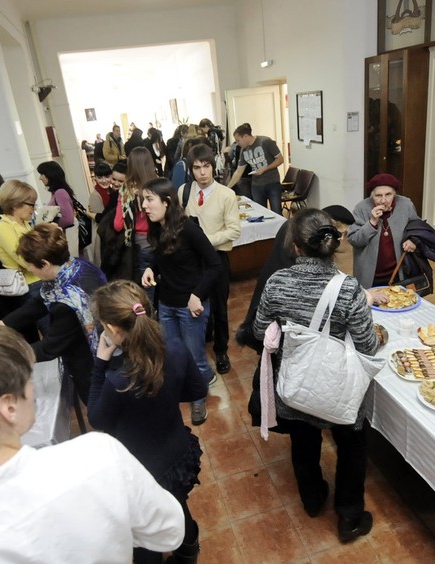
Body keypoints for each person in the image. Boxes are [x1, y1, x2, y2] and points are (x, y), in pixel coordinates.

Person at [0, 323, 185, 563]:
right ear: (9, 407)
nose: (32, 390)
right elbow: (169, 532)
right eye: (27, 381)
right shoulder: (98, 457)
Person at [253, 208, 379, 543]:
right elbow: (367, 346)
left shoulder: (277, 282)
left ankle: (312, 499)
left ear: (295, 246)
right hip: (338, 387)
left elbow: (259, 330)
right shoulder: (349, 288)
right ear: (333, 244)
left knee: (303, 441)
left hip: (297, 382)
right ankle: (349, 516)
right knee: (351, 445)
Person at [88, 280, 207, 564]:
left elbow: (96, 418)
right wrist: (165, 396)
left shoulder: (118, 381)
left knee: (144, 532)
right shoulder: (175, 348)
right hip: (177, 454)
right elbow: (197, 390)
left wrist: (100, 362)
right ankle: (187, 554)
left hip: (141, 469)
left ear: (113, 329)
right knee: (177, 506)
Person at [140, 178, 222, 426]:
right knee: (173, 353)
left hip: (190, 306)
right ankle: (196, 380)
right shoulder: (157, 227)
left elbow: (215, 265)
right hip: (166, 303)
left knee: (194, 356)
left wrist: (197, 295)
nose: (144, 205)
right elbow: (161, 257)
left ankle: (198, 398)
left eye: (149, 199)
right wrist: (151, 268)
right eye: (143, 200)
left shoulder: (189, 229)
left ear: (166, 202)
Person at [1, 223, 106, 401]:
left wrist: (11, 354)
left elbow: (51, 347)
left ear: (45, 264)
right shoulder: (76, 265)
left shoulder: (66, 304)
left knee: (97, 407)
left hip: (89, 363)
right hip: (101, 346)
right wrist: (4, 323)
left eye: (29, 264)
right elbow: (41, 301)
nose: (28, 269)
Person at [179, 144, 241, 375]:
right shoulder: (184, 191)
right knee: (195, 302)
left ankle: (221, 350)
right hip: (192, 261)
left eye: (206, 166)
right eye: (197, 168)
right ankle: (204, 335)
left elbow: (234, 230)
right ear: (191, 170)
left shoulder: (226, 195)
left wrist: (205, 242)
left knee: (219, 308)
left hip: (216, 259)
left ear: (213, 167)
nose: (202, 172)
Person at [347, 173, 421, 291]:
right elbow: (354, 240)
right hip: (370, 275)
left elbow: (417, 228)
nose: (383, 200)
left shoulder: (406, 204)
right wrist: (372, 222)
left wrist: (413, 240)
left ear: (394, 194)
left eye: (388, 194)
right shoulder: (361, 208)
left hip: (399, 272)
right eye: (378, 195)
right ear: (372, 195)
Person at [114, 147, 158, 286]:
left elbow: (118, 225)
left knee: (147, 285)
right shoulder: (159, 185)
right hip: (162, 240)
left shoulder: (127, 190)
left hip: (141, 244)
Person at [227, 123, 285, 215]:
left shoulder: (265, 142)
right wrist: (227, 188)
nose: (237, 143)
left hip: (272, 183)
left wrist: (265, 169)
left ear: (245, 136)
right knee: (260, 213)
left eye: (238, 140)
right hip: (256, 185)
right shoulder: (243, 150)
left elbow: (280, 159)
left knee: (276, 212)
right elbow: (238, 171)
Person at [37, 161, 75, 231]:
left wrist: (49, 227)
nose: (40, 178)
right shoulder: (57, 192)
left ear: (50, 175)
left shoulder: (60, 193)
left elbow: (68, 219)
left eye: (42, 174)